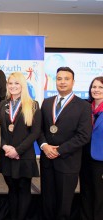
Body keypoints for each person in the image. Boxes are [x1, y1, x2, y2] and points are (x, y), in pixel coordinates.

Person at [37, 67, 92, 220]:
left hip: (68, 163)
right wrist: (45, 146)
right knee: (47, 202)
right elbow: (39, 130)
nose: (62, 82)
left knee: (63, 206)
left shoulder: (84, 106)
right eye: (59, 78)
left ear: (73, 82)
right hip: (47, 161)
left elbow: (83, 136)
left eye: (66, 79)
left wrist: (59, 150)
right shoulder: (47, 103)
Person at [0, 72, 41, 220]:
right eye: (10, 83)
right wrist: (5, 147)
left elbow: (35, 133)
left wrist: (17, 150)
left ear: (23, 85)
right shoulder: (2, 105)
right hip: (7, 155)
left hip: (24, 156)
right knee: (12, 189)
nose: (13, 86)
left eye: (17, 83)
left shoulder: (33, 105)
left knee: (23, 190)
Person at [80, 76, 103, 220]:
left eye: (101, 87)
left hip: (100, 159)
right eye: (94, 87)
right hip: (83, 156)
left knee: (100, 195)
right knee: (85, 193)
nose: (96, 90)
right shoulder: (85, 107)